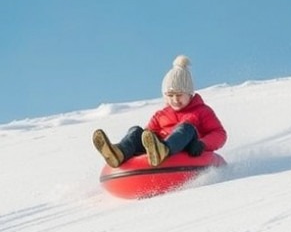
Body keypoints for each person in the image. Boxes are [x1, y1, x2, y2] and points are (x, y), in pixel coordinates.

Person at [92, 55, 227, 168]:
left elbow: (219, 133)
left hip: (188, 149)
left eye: (179, 94)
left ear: (190, 94)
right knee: (137, 131)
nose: (175, 99)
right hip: (157, 151)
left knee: (186, 128)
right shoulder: (161, 115)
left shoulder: (202, 111)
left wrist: (202, 144)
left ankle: (164, 150)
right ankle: (119, 153)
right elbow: (146, 136)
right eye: (170, 95)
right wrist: (143, 140)